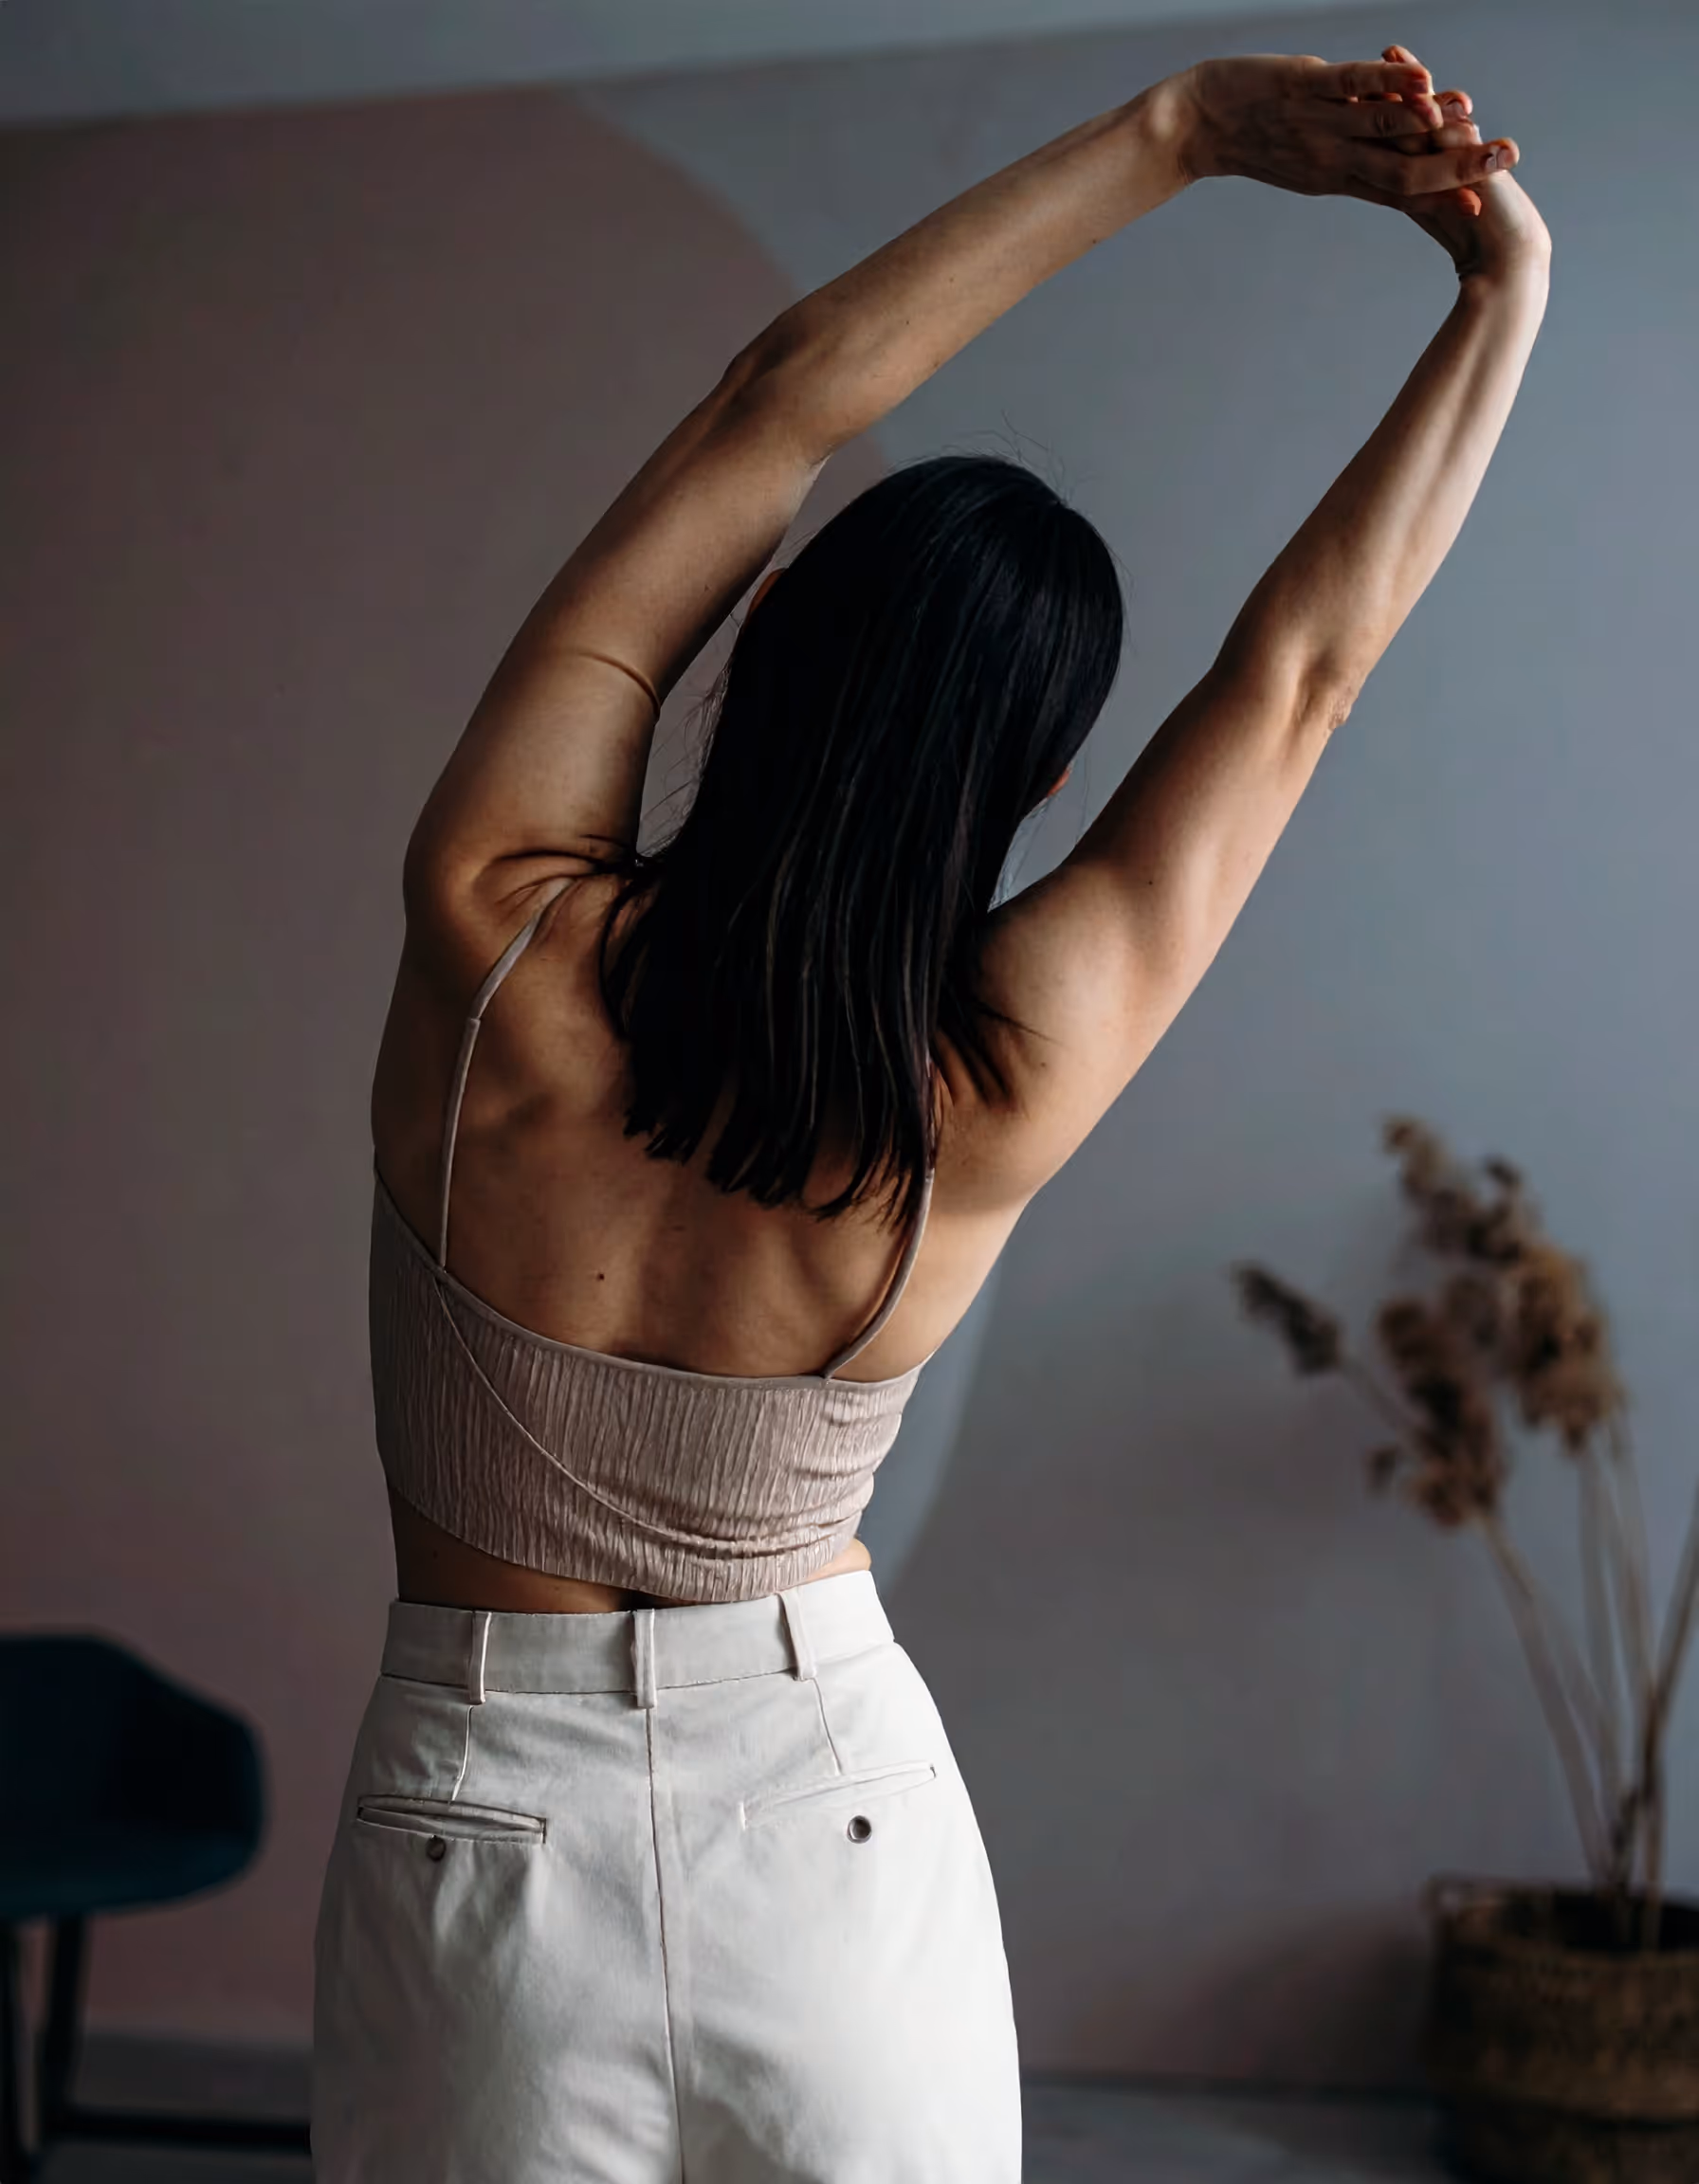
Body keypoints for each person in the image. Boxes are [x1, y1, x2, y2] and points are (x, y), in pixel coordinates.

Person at [310, 41, 1549, 2183]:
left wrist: (1175, 134)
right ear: (1043, 792)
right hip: (828, 1803)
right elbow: (1295, 676)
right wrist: (1491, 296)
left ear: (760, 625)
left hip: (478, 1810)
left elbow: (770, 402)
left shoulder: (492, 935)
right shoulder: (986, 1084)